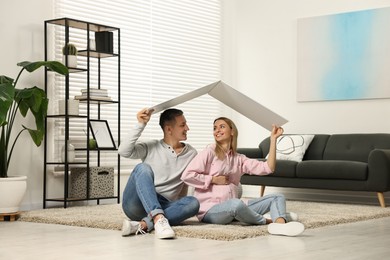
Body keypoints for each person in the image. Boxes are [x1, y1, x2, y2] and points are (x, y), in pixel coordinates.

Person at [181, 117, 305, 236]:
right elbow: (187, 175)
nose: (217, 130)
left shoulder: (239, 158)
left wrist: (273, 140)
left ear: (232, 131)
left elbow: (268, 168)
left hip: (235, 207)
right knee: (236, 204)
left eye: (222, 127)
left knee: (277, 197)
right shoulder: (209, 152)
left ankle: (280, 224)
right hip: (210, 211)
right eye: (214, 128)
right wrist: (213, 179)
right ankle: (269, 220)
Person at [118, 108, 200, 239]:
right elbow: (123, 151)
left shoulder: (191, 153)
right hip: (137, 204)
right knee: (142, 168)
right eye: (182, 125)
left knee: (193, 203)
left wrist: (180, 205)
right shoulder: (151, 146)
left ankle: (145, 224)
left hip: (165, 204)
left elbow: (186, 182)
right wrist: (141, 124)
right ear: (169, 129)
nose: (187, 128)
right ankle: (158, 217)